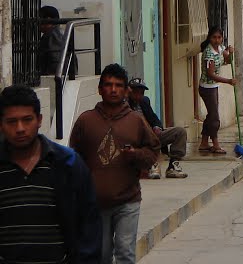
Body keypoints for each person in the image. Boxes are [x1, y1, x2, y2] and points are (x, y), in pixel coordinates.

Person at [0, 84, 102, 264]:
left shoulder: (67, 164)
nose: (20, 128)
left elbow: (89, 224)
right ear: (1, 124)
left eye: (27, 119)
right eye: (12, 121)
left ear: (39, 120)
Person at [69, 63, 160, 264]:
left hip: (128, 200)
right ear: (99, 89)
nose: (113, 89)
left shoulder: (136, 121)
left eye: (118, 85)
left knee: (125, 253)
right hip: (95, 203)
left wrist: (135, 155)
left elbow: (153, 152)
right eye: (108, 85)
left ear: (126, 90)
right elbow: (73, 159)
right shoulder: (85, 121)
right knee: (101, 254)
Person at [127, 78, 188, 179]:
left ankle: (173, 165)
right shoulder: (124, 104)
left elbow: (154, 119)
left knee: (180, 132)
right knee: (148, 137)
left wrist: (157, 127)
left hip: (152, 135)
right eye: (135, 92)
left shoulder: (144, 101)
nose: (138, 95)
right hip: (136, 138)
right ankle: (151, 165)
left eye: (141, 92)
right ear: (129, 92)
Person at [198, 27, 236, 155]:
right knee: (215, 118)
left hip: (213, 88)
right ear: (209, 38)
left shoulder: (220, 49)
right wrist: (228, 81)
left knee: (211, 115)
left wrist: (230, 53)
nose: (216, 40)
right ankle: (215, 144)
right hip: (206, 88)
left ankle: (204, 143)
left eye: (219, 37)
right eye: (214, 37)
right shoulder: (209, 53)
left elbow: (228, 61)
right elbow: (210, 74)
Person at [37, 4, 77, 78]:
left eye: (41, 19)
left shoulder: (52, 36)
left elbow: (56, 60)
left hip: (57, 77)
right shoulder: (58, 34)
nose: (38, 23)